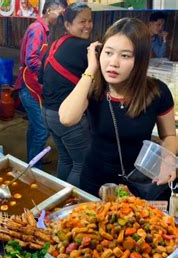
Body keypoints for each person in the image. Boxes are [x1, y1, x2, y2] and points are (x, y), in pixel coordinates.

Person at [59, 18, 176, 200]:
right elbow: (66, 118)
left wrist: (167, 159)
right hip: (95, 179)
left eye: (125, 56)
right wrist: (91, 68)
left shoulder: (157, 92)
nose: (113, 62)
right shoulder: (93, 87)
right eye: (108, 52)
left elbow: (169, 136)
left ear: (140, 60)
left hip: (140, 183)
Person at [39, 2, 92, 186]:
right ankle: (73, 205)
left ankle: (60, 199)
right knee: (81, 163)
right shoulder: (85, 48)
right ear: (68, 25)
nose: (87, 25)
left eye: (90, 21)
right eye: (82, 21)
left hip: (47, 113)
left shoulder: (54, 45)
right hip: (67, 118)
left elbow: (41, 78)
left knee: (66, 158)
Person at [14, 0, 65, 168]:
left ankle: (32, 158)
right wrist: (48, 74)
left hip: (32, 85)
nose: (61, 16)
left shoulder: (44, 30)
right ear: (49, 10)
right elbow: (32, 59)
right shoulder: (37, 29)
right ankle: (35, 169)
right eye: (60, 12)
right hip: (28, 86)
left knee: (35, 127)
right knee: (42, 129)